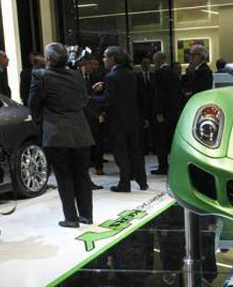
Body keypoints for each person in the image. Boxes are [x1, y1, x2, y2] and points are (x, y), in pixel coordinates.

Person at [28, 42, 95, 228]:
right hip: (81, 132)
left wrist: (41, 123)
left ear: (48, 59)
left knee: (64, 177)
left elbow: (33, 105)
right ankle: (87, 216)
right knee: (82, 175)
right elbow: (84, 100)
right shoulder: (77, 75)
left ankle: (71, 219)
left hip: (56, 134)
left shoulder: (39, 76)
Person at [90, 46, 147, 192]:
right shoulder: (133, 74)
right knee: (135, 151)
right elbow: (139, 98)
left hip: (117, 122)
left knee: (120, 153)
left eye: (105, 57)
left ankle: (124, 183)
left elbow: (109, 100)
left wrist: (90, 98)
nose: (103, 59)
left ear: (112, 58)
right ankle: (142, 182)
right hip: (133, 120)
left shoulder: (111, 76)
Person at [152, 51, 182, 175]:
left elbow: (160, 94)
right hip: (174, 111)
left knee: (161, 142)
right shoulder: (174, 73)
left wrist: (159, 112)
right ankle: (175, 166)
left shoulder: (159, 73)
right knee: (171, 141)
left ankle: (163, 167)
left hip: (164, 112)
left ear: (158, 60)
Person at [81, 59, 106, 180]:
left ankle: (98, 166)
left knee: (97, 140)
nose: (93, 66)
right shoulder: (78, 77)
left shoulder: (96, 76)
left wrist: (100, 112)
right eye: (91, 64)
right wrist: (92, 90)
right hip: (82, 115)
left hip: (93, 113)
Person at [136, 57, 154, 154]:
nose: (146, 65)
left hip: (152, 105)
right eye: (144, 63)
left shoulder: (153, 75)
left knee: (153, 128)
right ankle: (145, 148)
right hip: (142, 106)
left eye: (147, 63)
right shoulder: (137, 76)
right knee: (143, 128)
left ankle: (152, 146)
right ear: (141, 65)